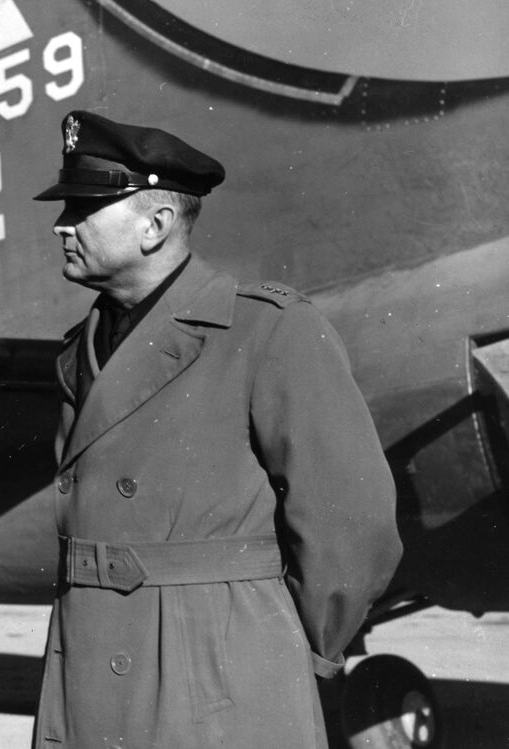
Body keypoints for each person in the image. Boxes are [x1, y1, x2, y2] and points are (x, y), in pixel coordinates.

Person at [29, 111, 403, 748]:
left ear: (156, 226)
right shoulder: (81, 349)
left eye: (83, 209)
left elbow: (353, 525)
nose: (63, 225)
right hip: (87, 666)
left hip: (219, 672)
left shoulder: (266, 330)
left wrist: (284, 653)